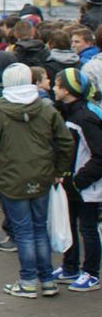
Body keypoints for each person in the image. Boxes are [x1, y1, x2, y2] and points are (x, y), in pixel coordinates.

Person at [0, 63, 73, 298]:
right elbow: (65, 141)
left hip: (11, 175)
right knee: (40, 228)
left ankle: (28, 281)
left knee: (23, 231)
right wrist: (59, 169)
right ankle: (47, 280)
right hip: (42, 174)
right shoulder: (46, 108)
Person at [50, 69, 102, 292]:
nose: (53, 87)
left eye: (57, 84)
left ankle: (91, 273)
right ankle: (70, 266)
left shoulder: (85, 117)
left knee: (88, 229)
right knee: (69, 225)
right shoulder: (68, 113)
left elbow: (99, 154)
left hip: (88, 185)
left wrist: (80, 180)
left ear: (68, 90)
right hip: (72, 183)